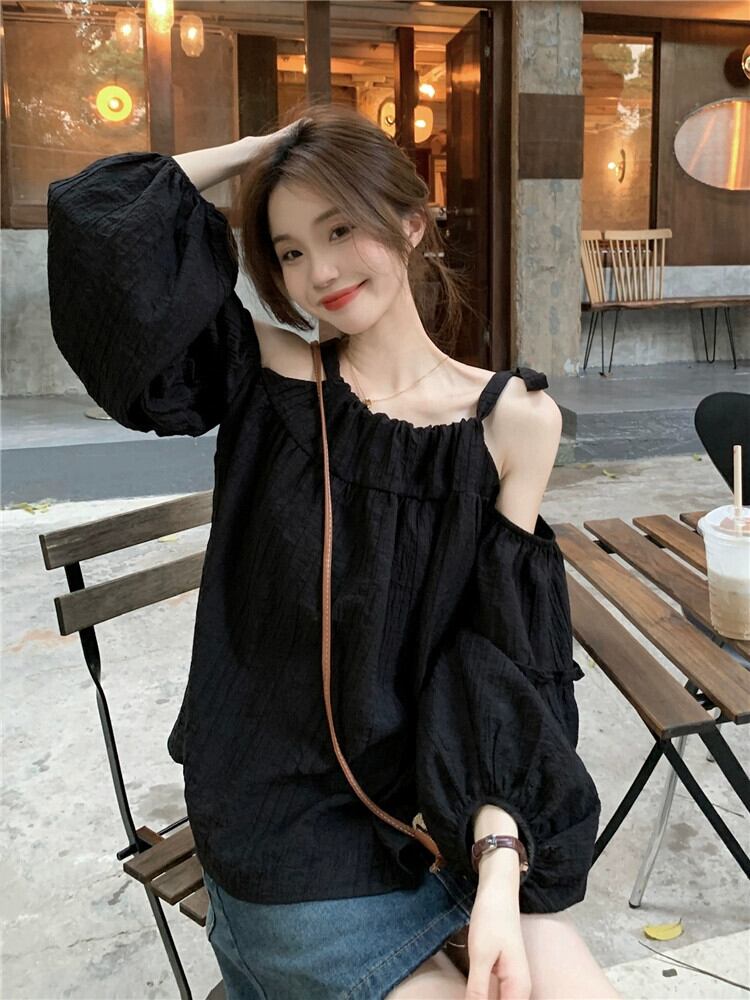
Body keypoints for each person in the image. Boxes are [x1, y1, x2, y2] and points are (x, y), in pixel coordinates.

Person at [47, 103, 620, 1000]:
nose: (318, 272)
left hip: (435, 813)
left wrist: (500, 867)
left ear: (412, 221)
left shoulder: (516, 422)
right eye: (288, 251)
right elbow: (99, 222)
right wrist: (262, 150)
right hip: (283, 834)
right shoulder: (270, 376)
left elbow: (506, 661)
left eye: (340, 228)